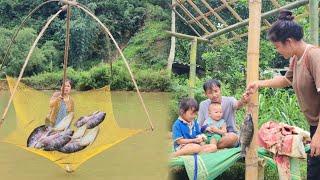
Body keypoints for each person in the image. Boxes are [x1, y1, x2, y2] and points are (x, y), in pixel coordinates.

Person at [246, 10, 320, 180]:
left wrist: (318, 135)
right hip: (315, 125)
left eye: (277, 46)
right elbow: (286, 80)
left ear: (289, 42)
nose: (277, 50)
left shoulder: (314, 56)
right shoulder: (296, 58)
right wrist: (258, 83)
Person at [198, 79, 250, 149]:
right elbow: (199, 125)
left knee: (232, 137)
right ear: (205, 94)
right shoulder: (203, 105)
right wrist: (206, 129)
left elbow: (238, 105)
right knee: (199, 138)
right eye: (210, 93)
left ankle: (209, 147)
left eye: (216, 91)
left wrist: (243, 100)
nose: (214, 95)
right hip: (209, 136)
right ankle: (210, 146)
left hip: (226, 135)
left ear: (220, 90)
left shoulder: (229, 100)